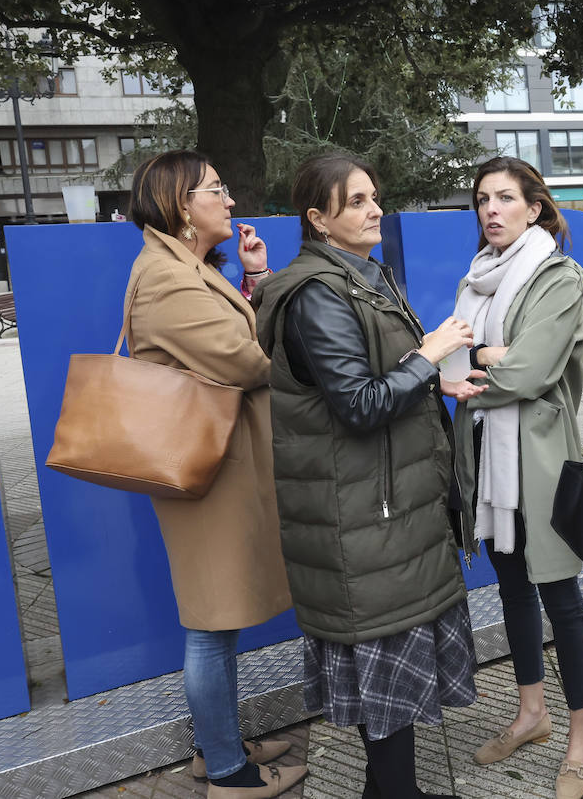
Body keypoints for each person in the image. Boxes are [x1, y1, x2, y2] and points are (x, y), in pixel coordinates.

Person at [254, 153, 484, 799]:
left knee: (392, 688)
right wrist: (430, 354)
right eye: (355, 201)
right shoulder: (316, 296)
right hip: (362, 525)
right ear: (317, 219)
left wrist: (436, 379)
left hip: (385, 515)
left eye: (373, 197)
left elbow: (372, 375)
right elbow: (358, 406)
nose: (374, 208)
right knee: (385, 685)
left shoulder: (359, 276)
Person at [124, 150, 303, 799]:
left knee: (216, 620)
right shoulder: (168, 279)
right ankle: (228, 773)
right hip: (206, 473)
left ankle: (217, 746)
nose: (229, 201)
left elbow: (231, 342)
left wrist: (254, 280)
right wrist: (284, 310)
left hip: (215, 467)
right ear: (180, 206)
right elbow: (247, 360)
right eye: (216, 191)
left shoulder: (182, 267)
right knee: (210, 622)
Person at [451, 157, 583, 799]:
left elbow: (530, 373)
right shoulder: (476, 280)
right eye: (482, 198)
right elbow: (452, 356)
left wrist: (475, 361)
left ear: (534, 209)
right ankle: (531, 714)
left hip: (539, 464)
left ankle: (582, 740)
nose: (490, 209)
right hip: (489, 461)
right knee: (510, 592)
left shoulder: (558, 276)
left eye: (505, 198)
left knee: (562, 600)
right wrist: (483, 358)